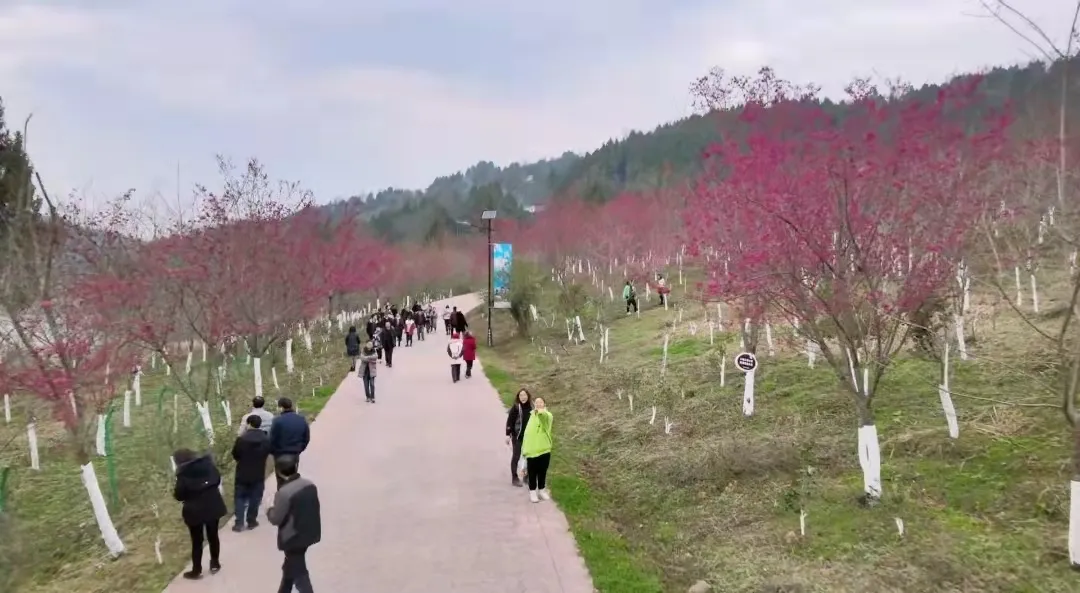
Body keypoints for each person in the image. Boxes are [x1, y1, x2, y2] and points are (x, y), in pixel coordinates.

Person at [268, 454, 321, 593]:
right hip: (310, 531)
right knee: (291, 566)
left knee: (300, 574)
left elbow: (276, 519)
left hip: (293, 537)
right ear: (296, 466)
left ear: (278, 471)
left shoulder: (284, 493)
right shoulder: (310, 484)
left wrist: (269, 511)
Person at [173, 448, 227, 579]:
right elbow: (217, 479)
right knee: (213, 536)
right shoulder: (208, 465)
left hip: (194, 511)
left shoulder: (183, 474)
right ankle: (215, 563)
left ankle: (196, 570)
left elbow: (179, 495)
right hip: (213, 505)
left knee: (197, 541)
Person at [231, 415, 271, 532]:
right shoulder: (266, 439)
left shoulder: (241, 439)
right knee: (255, 497)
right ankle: (251, 521)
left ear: (248, 424)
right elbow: (268, 452)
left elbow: (235, 455)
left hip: (242, 472)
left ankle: (239, 523)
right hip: (258, 472)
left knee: (239, 497)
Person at [269, 398, 310, 489]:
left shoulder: (277, 421)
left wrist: (273, 452)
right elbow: (306, 437)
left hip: (280, 454)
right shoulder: (301, 419)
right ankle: (293, 498)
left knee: (281, 480)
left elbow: (272, 439)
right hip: (295, 453)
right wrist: (300, 448)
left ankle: (282, 500)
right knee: (292, 478)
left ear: (281, 407)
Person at [521, 396, 554, 503]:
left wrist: (541, 412)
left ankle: (542, 490)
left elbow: (544, 416)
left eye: (541, 402)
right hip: (531, 451)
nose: (538, 404)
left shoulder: (548, 416)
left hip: (544, 450)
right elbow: (527, 434)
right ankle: (532, 492)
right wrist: (524, 450)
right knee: (532, 473)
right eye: (536, 402)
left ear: (544, 404)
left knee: (542, 472)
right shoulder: (531, 416)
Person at [504, 389, 533, 487]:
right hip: (518, 437)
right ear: (518, 397)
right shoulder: (516, 407)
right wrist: (508, 435)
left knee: (529, 458)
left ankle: (526, 477)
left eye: (525, 395)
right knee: (516, 457)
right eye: (521, 396)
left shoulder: (532, 407)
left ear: (528, 396)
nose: (523, 397)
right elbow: (510, 421)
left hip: (529, 438)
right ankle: (514, 478)